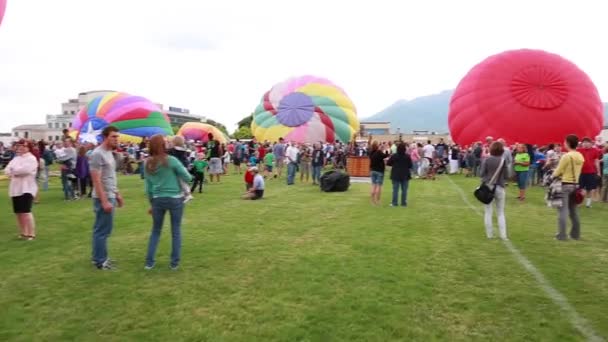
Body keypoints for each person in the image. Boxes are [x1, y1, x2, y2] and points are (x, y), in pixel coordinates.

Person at [144, 134, 193, 270]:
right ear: (163, 145)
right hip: (175, 199)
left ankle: (149, 263)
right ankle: (174, 263)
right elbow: (188, 177)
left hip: (157, 199)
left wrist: (151, 204)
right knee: (176, 231)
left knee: (155, 231)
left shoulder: (147, 163)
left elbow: (148, 188)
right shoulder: (171, 160)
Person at [90, 126, 123, 270]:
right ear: (105, 137)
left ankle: (98, 257)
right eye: (113, 137)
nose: (116, 139)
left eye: (117, 136)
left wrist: (117, 194)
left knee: (102, 229)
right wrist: (104, 201)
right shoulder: (98, 154)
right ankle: (100, 261)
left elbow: (110, 177)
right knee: (102, 230)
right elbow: (96, 180)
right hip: (103, 197)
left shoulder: (109, 153)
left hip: (110, 195)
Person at [4, 139, 38, 240]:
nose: (21, 148)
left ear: (28, 148)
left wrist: (14, 171)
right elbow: (7, 170)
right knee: (18, 212)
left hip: (27, 188)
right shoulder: (16, 159)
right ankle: (23, 232)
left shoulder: (31, 158)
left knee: (26, 211)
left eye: (23, 146)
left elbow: (26, 170)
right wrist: (13, 171)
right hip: (15, 188)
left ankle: (31, 233)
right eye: (19, 146)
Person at [552, 134, 584, 240]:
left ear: (568, 143)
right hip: (575, 185)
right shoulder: (580, 156)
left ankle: (562, 235)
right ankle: (575, 235)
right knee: (573, 211)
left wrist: (552, 175)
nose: (564, 143)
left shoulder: (567, 156)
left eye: (565, 142)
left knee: (563, 211)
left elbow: (558, 171)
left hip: (565, 184)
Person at [480, 141, 509, 240]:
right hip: (500, 186)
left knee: (488, 211)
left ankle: (490, 235)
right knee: (500, 212)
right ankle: (503, 235)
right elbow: (507, 175)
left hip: (488, 187)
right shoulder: (503, 160)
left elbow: (482, 173)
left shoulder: (487, 160)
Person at [576, 137, 602, 208]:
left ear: (591, 143)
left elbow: (596, 161)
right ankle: (579, 203)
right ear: (582, 144)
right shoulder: (578, 150)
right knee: (579, 189)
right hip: (581, 172)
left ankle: (588, 204)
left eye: (587, 142)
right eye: (584, 142)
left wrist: (599, 172)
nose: (586, 144)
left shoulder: (595, 150)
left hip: (591, 172)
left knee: (589, 189)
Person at [386, 143, 413, 207]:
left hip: (396, 174)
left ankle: (394, 203)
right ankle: (403, 203)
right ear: (404, 149)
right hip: (405, 174)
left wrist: (394, 164)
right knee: (404, 190)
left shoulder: (394, 156)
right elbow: (410, 165)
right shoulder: (407, 156)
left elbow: (388, 163)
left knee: (395, 190)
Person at [369, 141, 388, 205]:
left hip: (372, 170)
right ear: (377, 146)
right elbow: (385, 155)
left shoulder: (371, 152)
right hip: (379, 171)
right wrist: (385, 149)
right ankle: (378, 200)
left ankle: (372, 201)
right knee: (379, 186)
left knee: (373, 186)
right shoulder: (379, 152)